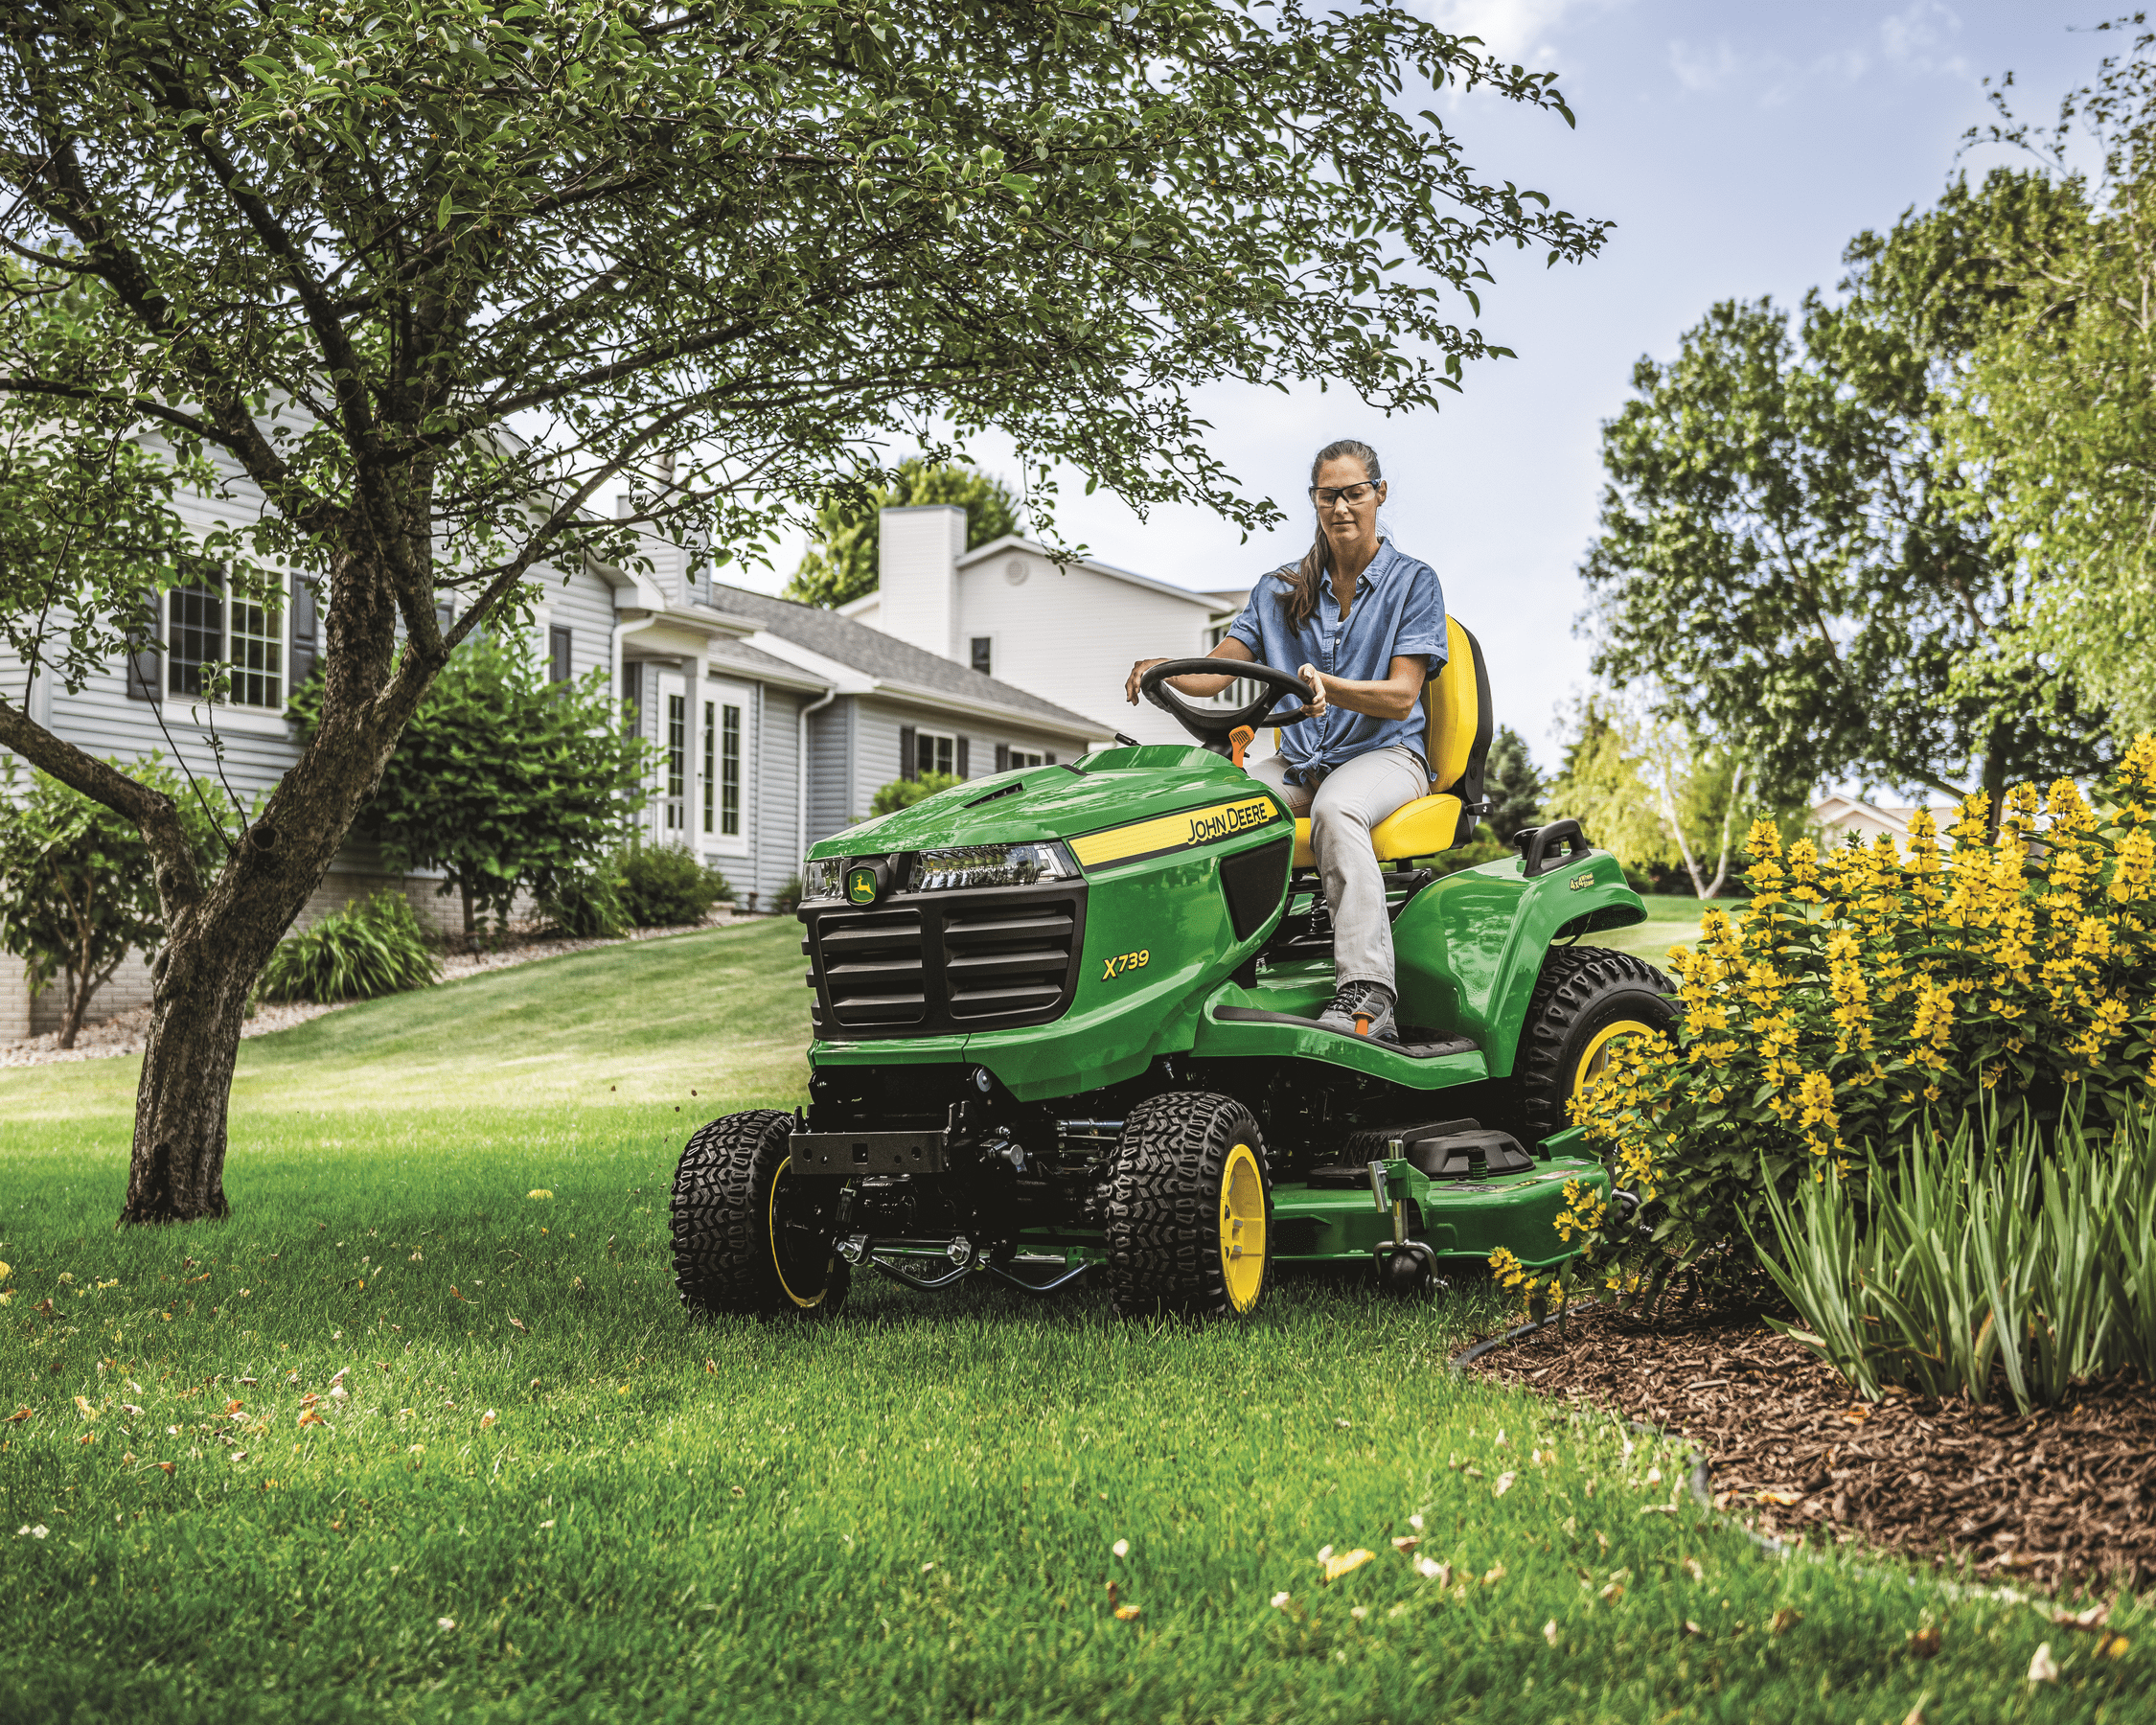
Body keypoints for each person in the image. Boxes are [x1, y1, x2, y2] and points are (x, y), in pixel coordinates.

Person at [1124, 439, 1444, 1041]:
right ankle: (1201, 969)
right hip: (1301, 760)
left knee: (1337, 807)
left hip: (1387, 757)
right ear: (1314, 501)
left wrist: (1331, 686)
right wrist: (1163, 665)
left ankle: (1369, 993)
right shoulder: (1277, 589)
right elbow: (1217, 670)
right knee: (1208, 803)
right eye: (1330, 495)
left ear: (1379, 493)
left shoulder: (1414, 583)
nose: (1342, 506)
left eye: (1354, 492)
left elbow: (1403, 695)